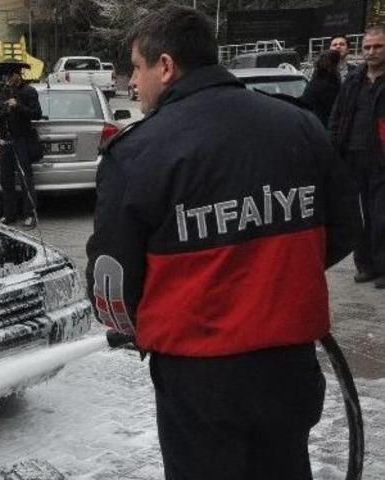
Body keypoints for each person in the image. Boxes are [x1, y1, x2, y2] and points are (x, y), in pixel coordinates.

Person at [85, 6, 360, 480]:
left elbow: (111, 278)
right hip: (288, 364)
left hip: (199, 378)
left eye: (137, 67)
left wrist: (132, 326)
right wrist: (275, 278)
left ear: (166, 66)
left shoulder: (138, 153)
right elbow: (345, 227)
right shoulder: (297, 125)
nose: (133, 82)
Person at [329, 25, 385, 288]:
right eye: (367, 47)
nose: (372, 52)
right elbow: (337, 115)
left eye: (378, 46)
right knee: (357, 216)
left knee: (380, 214)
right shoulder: (353, 80)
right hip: (351, 158)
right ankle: (366, 265)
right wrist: (332, 145)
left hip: (381, 160)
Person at [0, 67, 42, 226]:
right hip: (5, 139)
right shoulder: (2, 92)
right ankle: (9, 214)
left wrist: (18, 105)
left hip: (21, 140)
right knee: (6, 180)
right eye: (7, 76)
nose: (9, 79)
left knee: (26, 178)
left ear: (18, 75)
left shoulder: (28, 91)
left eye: (11, 75)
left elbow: (37, 113)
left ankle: (30, 214)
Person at [301, 49, 341, 126]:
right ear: (335, 63)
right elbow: (334, 107)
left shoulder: (317, 76)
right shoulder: (328, 82)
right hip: (321, 123)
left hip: (312, 121)